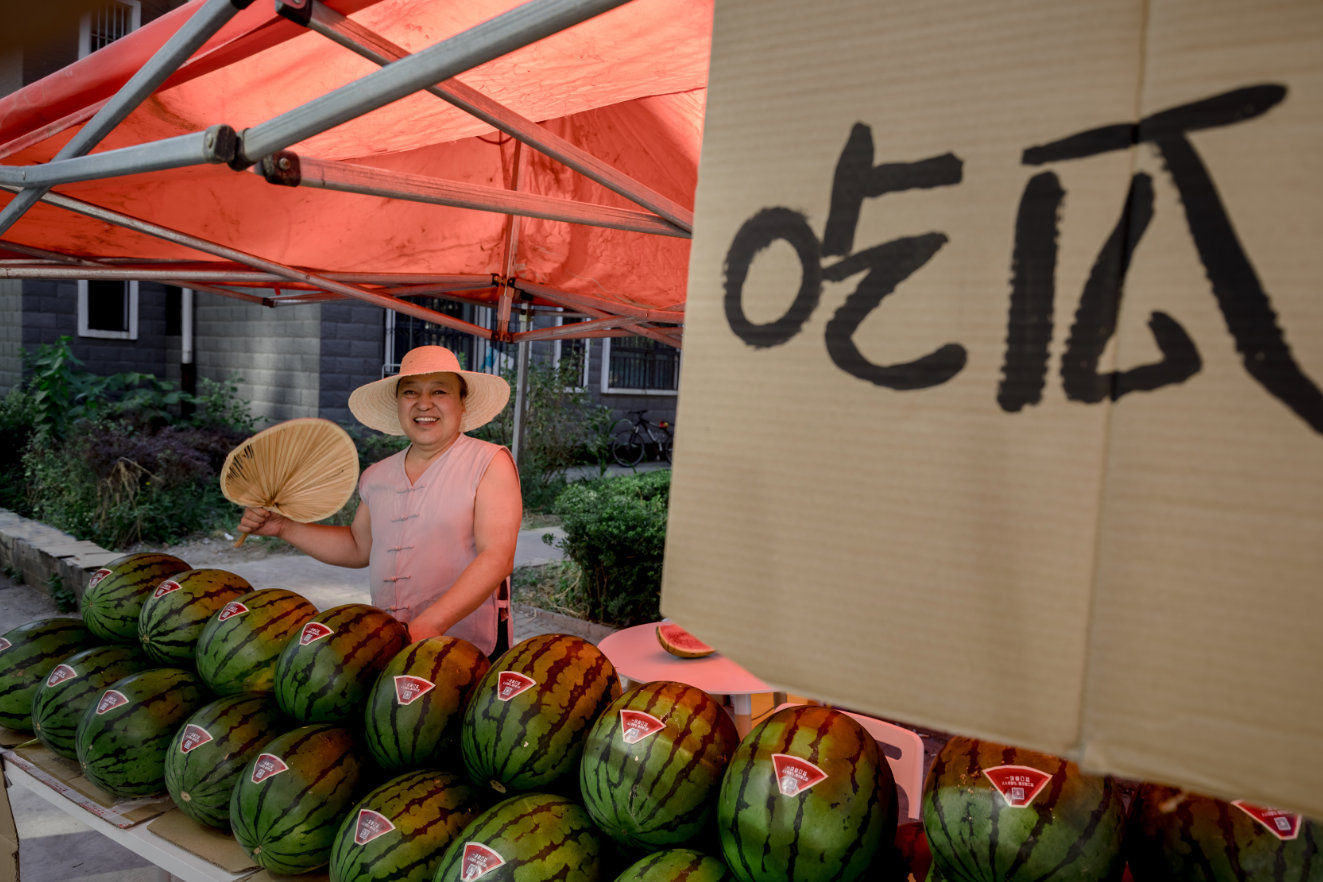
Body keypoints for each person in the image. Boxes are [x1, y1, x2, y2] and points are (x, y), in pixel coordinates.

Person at [237, 345, 522, 658]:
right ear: (398, 404)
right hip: (389, 641)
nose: (423, 404)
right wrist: (285, 529)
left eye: (440, 391)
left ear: (462, 403)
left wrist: (432, 622)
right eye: (410, 392)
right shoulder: (378, 475)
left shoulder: (489, 462)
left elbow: (496, 557)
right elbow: (359, 547)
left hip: (467, 647)